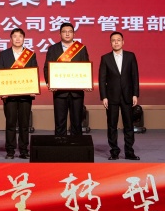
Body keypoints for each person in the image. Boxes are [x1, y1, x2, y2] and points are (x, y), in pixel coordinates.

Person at [0, 28, 38, 159]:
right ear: (11, 39)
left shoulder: (30, 54)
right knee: (10, 124)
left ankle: (24, 150)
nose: (18, 39)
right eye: (15, 36)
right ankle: (10, 151)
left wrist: (34, 89)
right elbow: (0, 73)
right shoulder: (4, 54)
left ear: (24, 38)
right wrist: (2, 91)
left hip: (26, 96)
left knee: (24, 125)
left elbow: (33, 73)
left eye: (20, 36)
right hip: (9, 96)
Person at [98, 31, 140, 161]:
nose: (116, 42)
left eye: (118, 40)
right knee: (112, 126)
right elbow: (102, 79)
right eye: (113, 40)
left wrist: (135, 94)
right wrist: (104, 97)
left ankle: (129, 152)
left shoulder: (130, 56)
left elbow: (135, 76)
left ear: (123, 42)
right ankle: (114, 152)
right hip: (111, 97)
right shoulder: (105, 58)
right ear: (110, 43)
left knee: (128, 125)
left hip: (127, 96)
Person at [44, 23, 90, 136]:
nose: (67, 34)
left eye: (70, 31)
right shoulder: (53, 49)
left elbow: (85, 67)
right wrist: (50, 83)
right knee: (60, 122)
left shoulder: (81, 48)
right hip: (59, 92)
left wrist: (87, 82)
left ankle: (76, 145)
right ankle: (60, 145)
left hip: (77, 92)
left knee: (77, 122)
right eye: (64, 32)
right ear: (60, 34)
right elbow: (47, 68)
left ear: (74, 34)